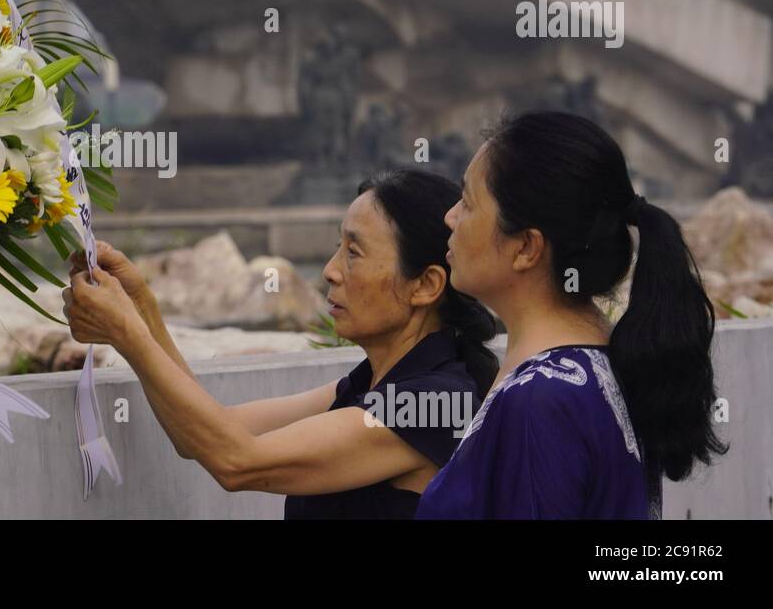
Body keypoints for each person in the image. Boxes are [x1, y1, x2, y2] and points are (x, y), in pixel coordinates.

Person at [64, 169, 497, 518]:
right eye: (337, 248)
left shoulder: (433, 403)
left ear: (425, 285)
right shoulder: (371, 385)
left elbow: (236, 461)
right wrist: (142, 308)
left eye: (354, 253)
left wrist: (126, 332)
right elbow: (209, 430)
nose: (330, 271)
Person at [416, 111, 726, 519]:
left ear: (526, 247)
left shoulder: (538, 401)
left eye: (468, 203)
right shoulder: (613, 362)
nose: (449, 217)